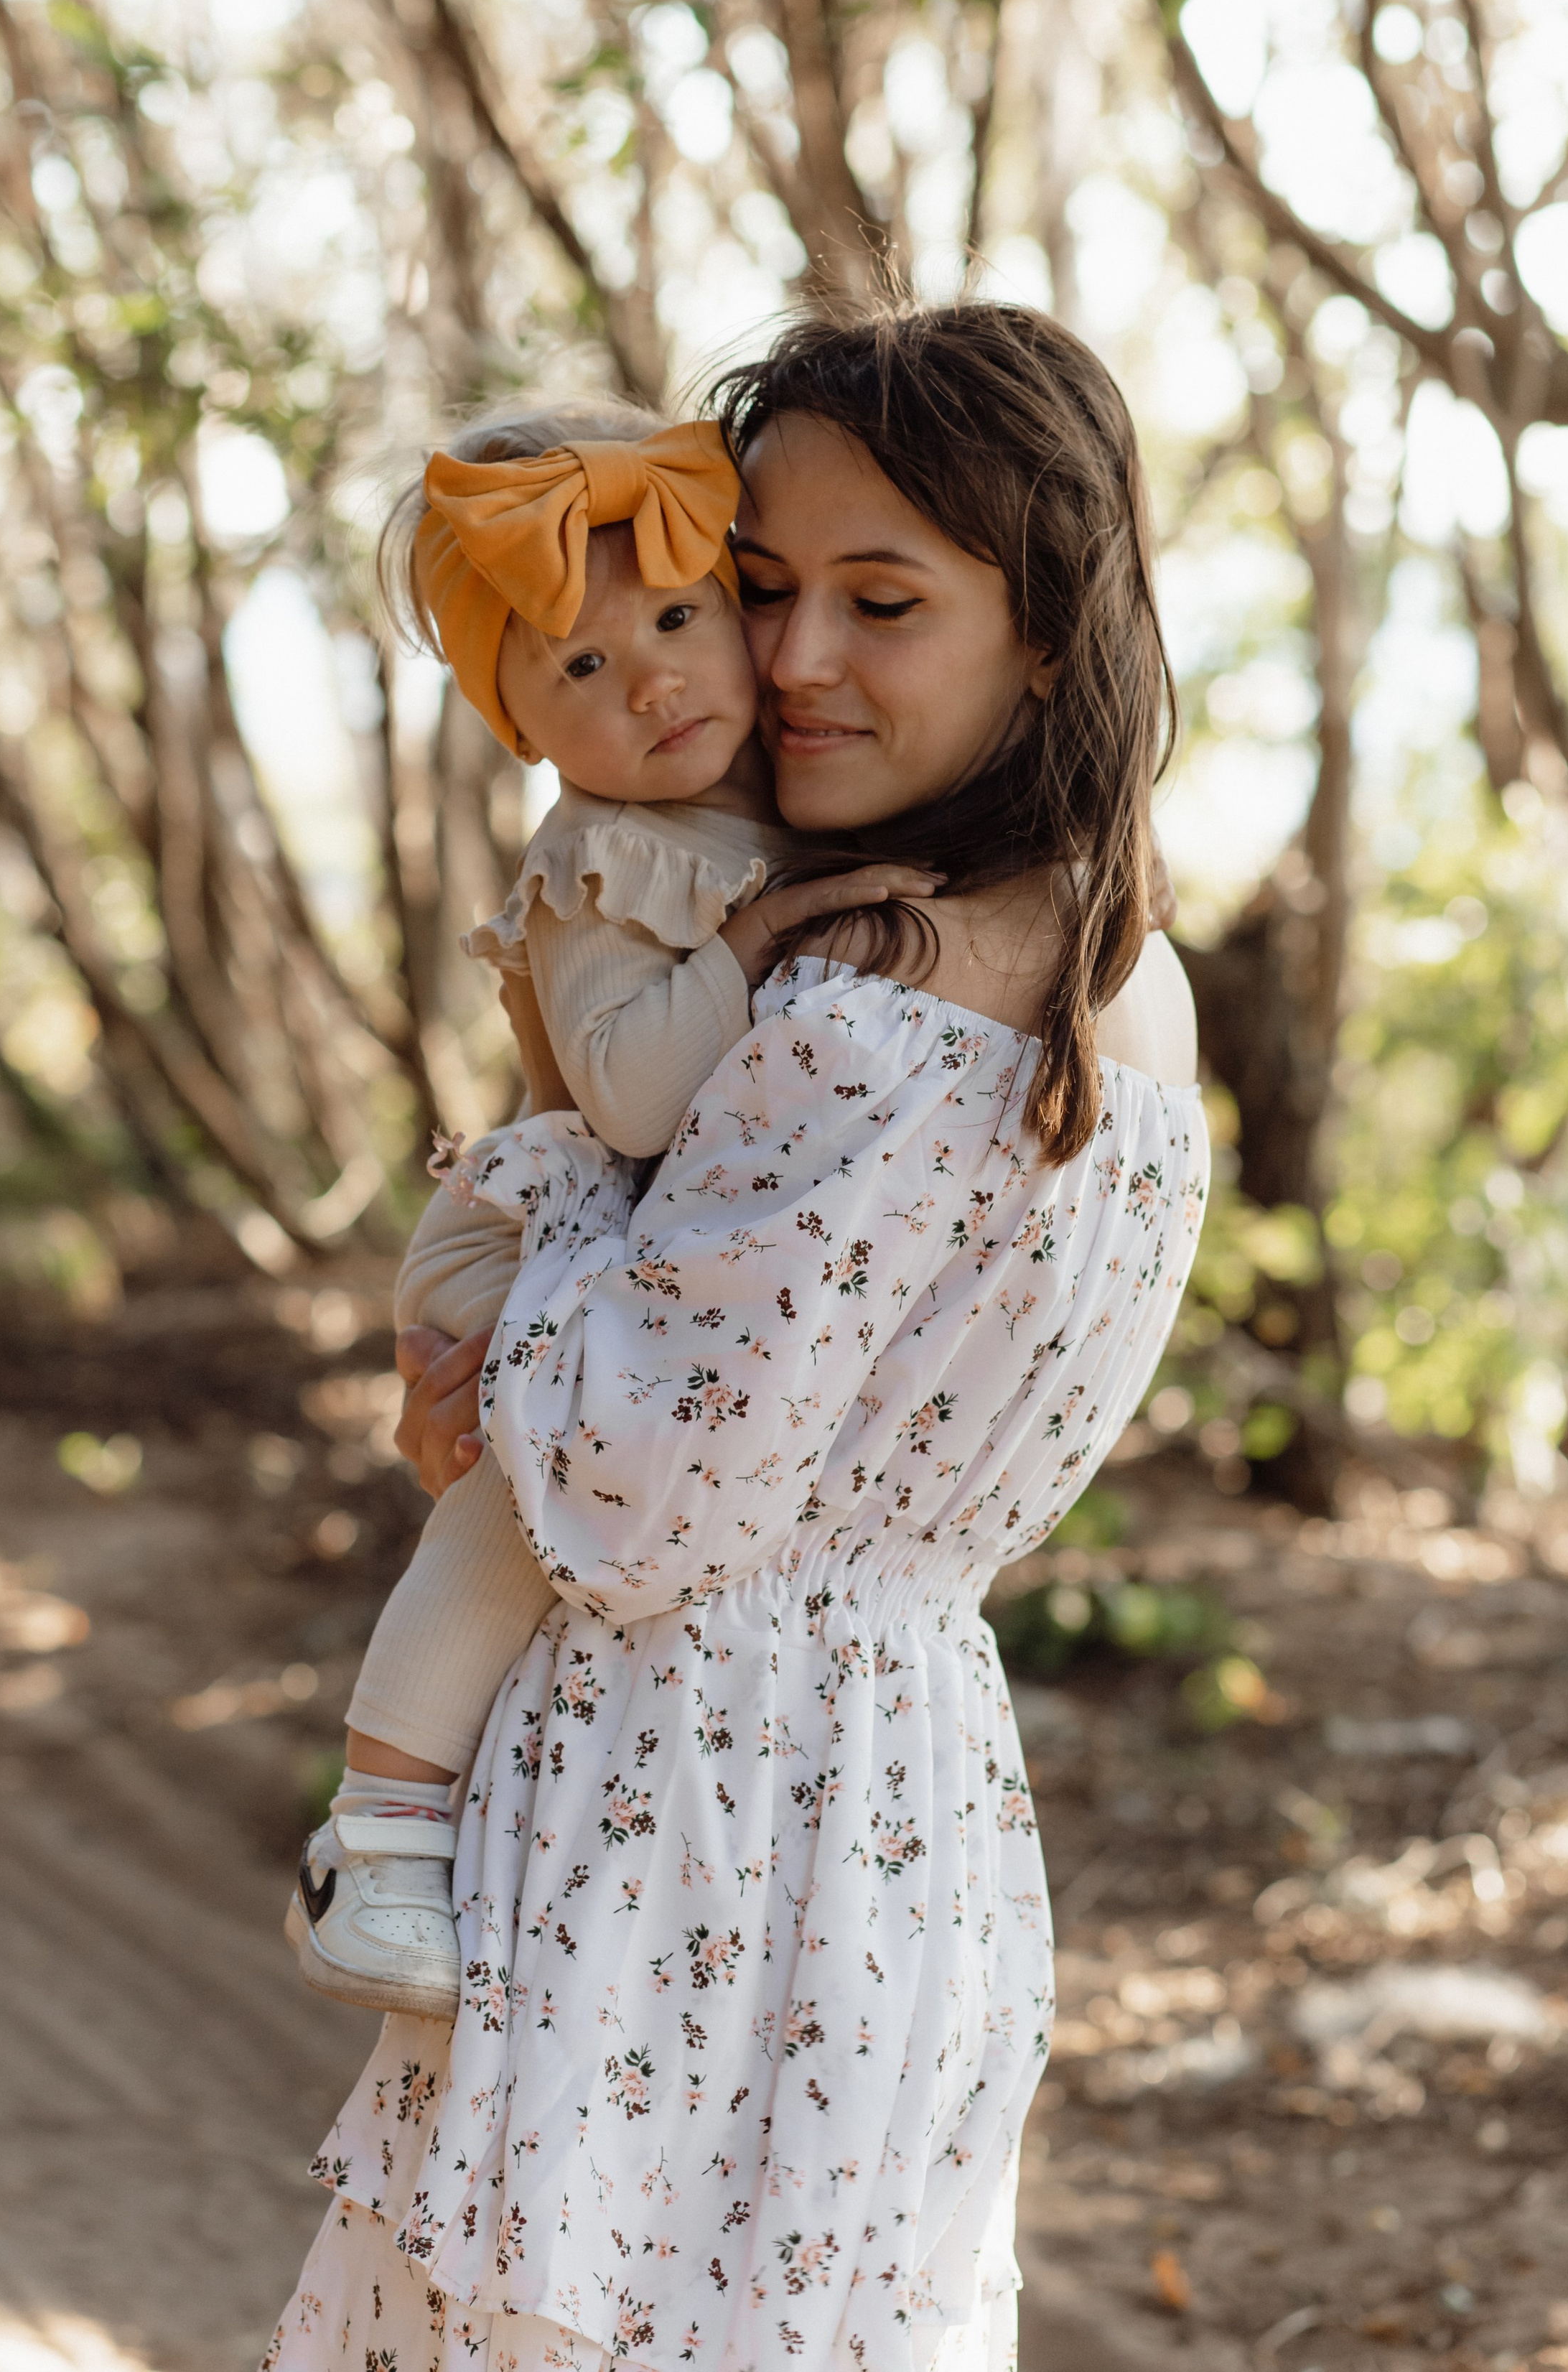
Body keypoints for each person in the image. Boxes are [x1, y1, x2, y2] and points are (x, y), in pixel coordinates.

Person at [265, 301, 1207, 2372]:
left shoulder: (875, 1003)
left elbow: (629, 1470)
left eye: (884, 600)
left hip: (691, 1810)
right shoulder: (1124, 972)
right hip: (911, 1816)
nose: (788, 662)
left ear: (1049, 625)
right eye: (759, 590)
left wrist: (510, 1297)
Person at [291, 401, 941, 2017]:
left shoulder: (756, 808)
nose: (650, 680)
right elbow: (636, 1102)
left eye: (673, 619)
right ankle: (373, 1838)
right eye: (577, 668)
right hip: (522, 1239)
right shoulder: (609, 860)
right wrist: (764, 932)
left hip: (610, 1236)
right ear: (515, 723)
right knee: (520, 1503)